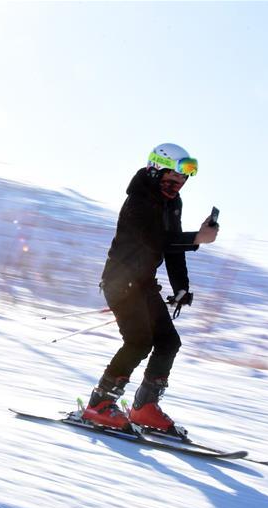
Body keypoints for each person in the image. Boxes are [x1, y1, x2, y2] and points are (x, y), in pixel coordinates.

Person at [82, 143, 218, 433]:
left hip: (143, 283)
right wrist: (198, 238)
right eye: (173, 178)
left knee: (169, 342)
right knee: (139, 341)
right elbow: (158, 240)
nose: (178, 185)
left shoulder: (171, 203)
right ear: (156, 170)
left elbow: (172, 248)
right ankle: (99, 405)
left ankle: (144, 407)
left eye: (183, 181)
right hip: (121, 281)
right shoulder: (139, 201)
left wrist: (181, 286)